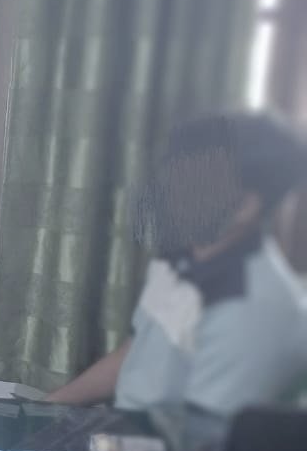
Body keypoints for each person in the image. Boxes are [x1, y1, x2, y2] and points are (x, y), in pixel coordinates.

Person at [47, 112, 307, 416]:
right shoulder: (182, 256)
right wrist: (46, 408)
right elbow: (136, 353)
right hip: (125, 429)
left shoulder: (254, 309)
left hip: (165, 443)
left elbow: (201, 436)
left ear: (245, 206)